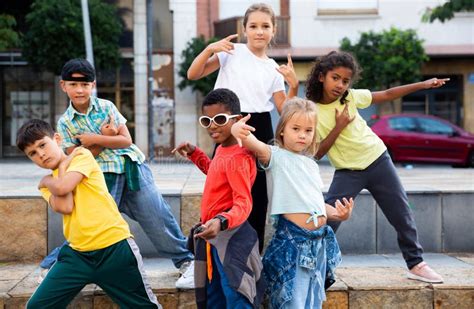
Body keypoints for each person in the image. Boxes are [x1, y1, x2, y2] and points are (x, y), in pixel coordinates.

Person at [40, 58, 195, 289]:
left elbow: (126, 140)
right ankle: (55, 263)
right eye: (73, 85)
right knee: (92, 224)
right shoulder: (64, 124)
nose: (80, 90)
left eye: (85, 84)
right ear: (64, 86)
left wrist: (95, 139)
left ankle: (186, 262)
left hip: (132, 168)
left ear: (93, 85)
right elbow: (78, 157)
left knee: (157, 216)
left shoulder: (106, 107)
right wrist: (105, 139)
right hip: (99, 178)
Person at [305, 51, 449, 283]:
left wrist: (423, 84)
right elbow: (318, 152)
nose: (340, 85)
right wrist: (339, 125)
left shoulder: (351, 97)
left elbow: (389, 94)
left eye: (345, 80)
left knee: (402, 214)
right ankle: (314, 266)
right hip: (348, 171)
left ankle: (416, 263)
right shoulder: (312, 111)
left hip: (378, 159)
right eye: (335, 78)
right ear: (322, 76)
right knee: (328, 219)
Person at [187, 3, 299, 252]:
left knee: (257, 196)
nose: (260, 31)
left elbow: (285, 111)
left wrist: (293, 86)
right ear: (245, 29)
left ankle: (253, 256)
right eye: (254, 26)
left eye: (265, 26)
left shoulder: (273, 68)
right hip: (229, 123)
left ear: (274, 30)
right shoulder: (231, 52)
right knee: (221, 187)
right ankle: (212, 251)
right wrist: (209, 49)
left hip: (260, 128)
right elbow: (193, 74)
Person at [16, 120, 161, 308]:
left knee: (143, 306)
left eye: (42, 145)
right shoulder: (48, 185)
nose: (41, 154)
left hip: (114, 248)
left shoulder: (80, 156)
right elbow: (66, 205)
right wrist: (54, 176)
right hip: (77, 256)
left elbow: (63, 186)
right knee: (37, 306)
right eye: (32, 153)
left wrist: (52, 176)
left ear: (57, 139)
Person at [231, 97, 354, 308]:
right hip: (292, 242)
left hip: (317, 245)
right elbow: (252, 143)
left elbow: (315, 203)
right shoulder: (276, 156)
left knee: (311, 301)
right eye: (295, 128)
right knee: (290, 301)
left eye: (308, 130)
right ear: (282, 131)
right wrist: (236, 128)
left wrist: (338, 214)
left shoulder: (311, 165)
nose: (302, 135)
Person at [173, 89, 265, 308]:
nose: (212, 125)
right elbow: (215, 172)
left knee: (235, 295)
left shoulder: (240, 156)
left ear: (238, 119)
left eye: (220, 119)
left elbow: (243, 202)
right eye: (207, 120)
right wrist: (195, 153)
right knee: (215, 296)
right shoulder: (223, 150)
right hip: (214, 237)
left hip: (230, 239)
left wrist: (221, 221)